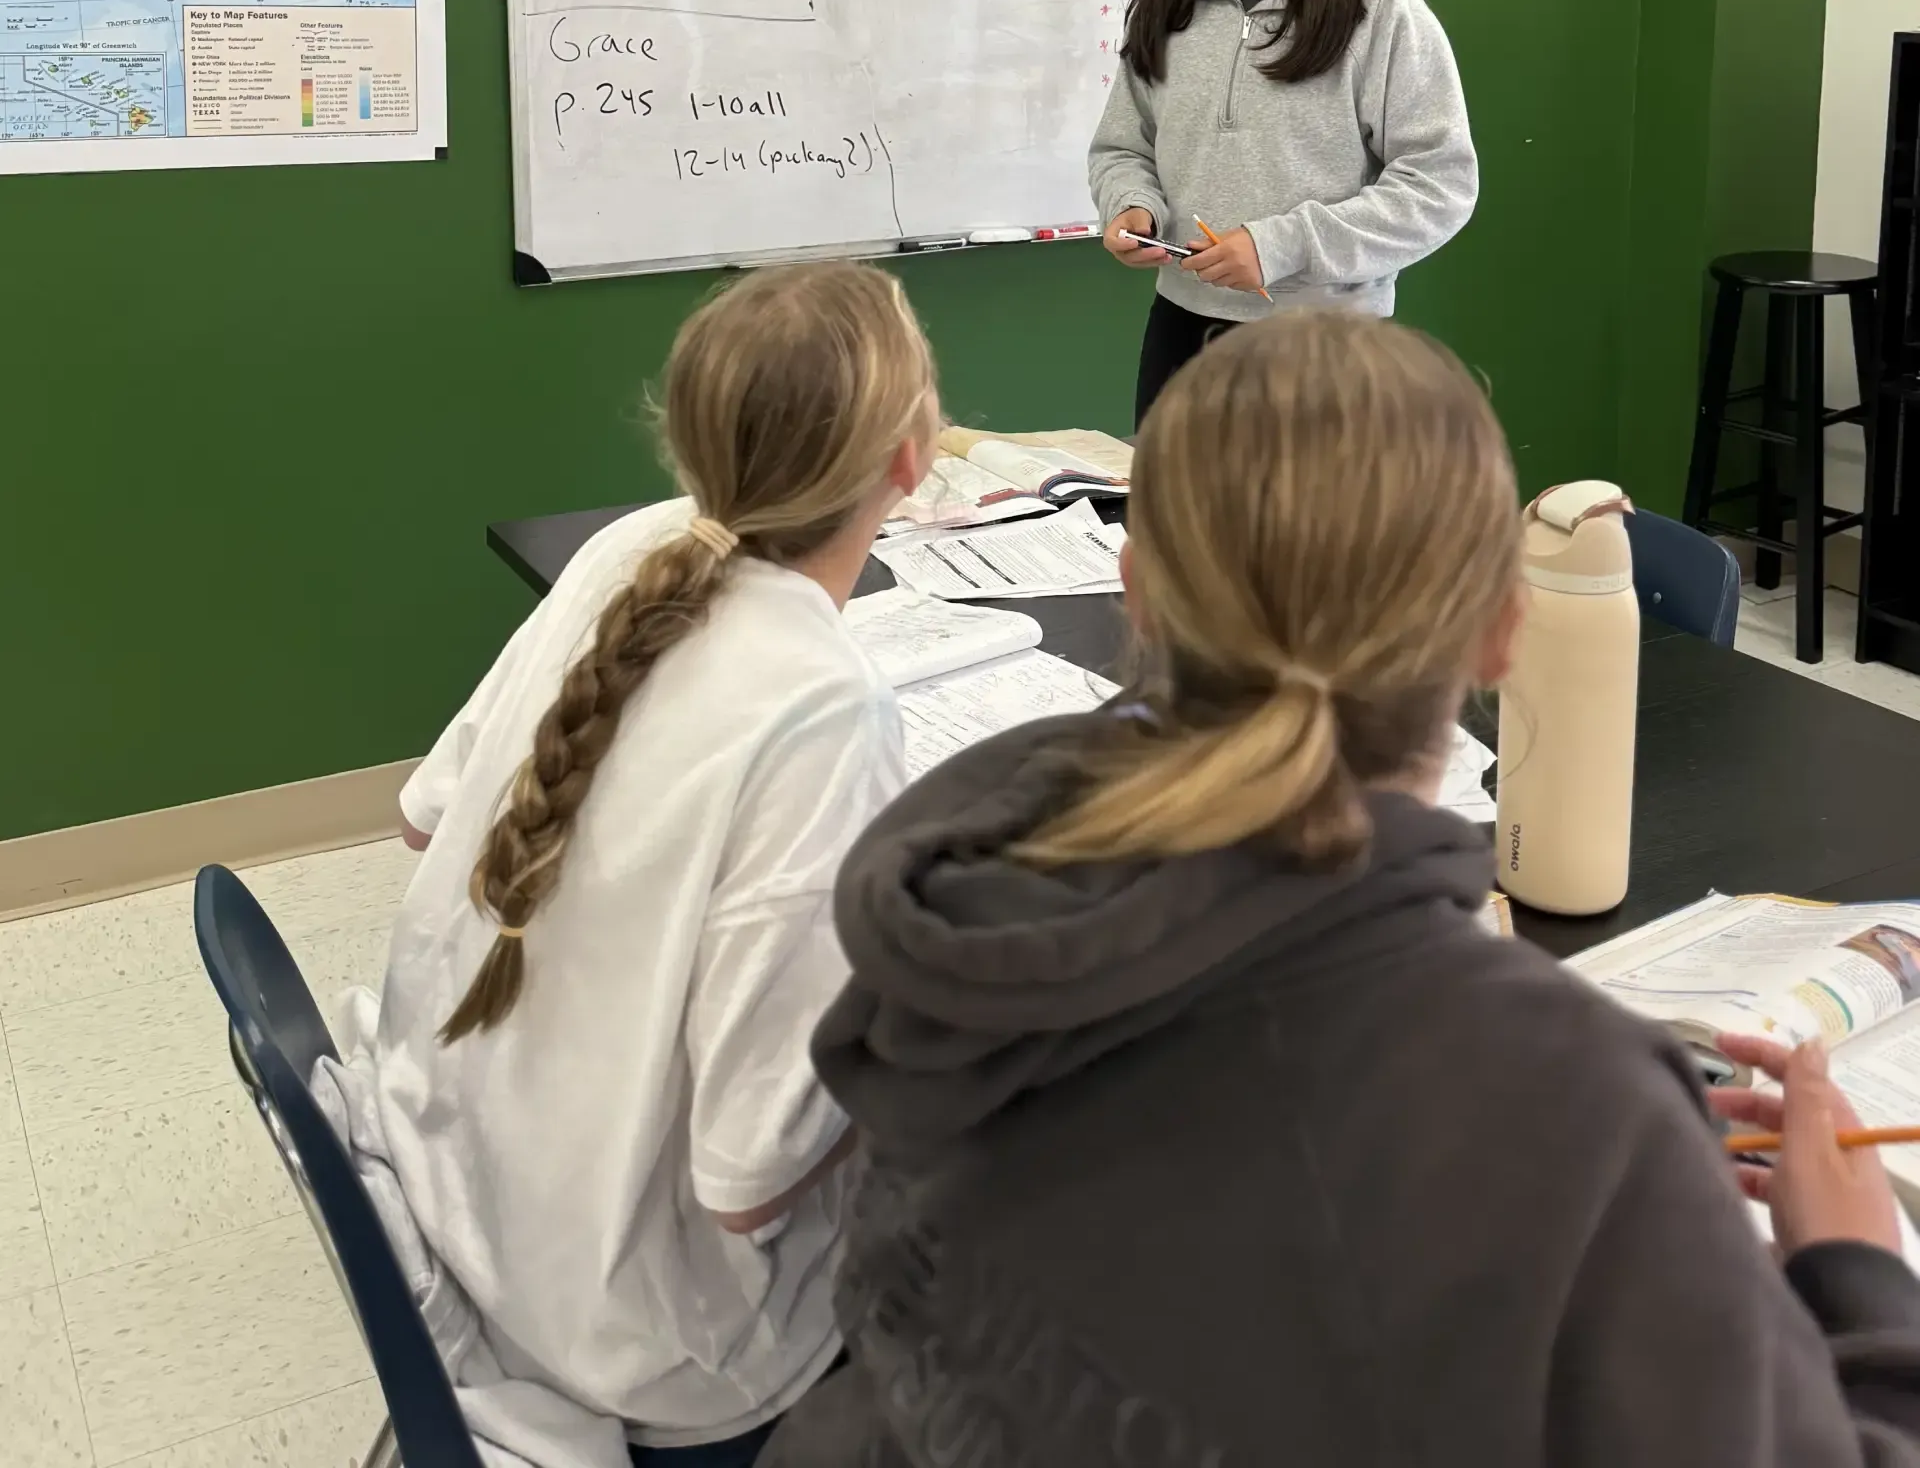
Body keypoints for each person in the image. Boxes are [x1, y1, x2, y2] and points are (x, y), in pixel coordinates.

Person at [764, 312, 1920, 1468]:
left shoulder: (962, 896)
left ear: (1136, 592)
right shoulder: (1573, 1108)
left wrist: (1596, 1166)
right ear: (1504, 627)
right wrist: (1856, 1270)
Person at [345, 262, 937, 1468]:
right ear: (910, 463)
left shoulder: (637, 547)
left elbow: (426, 817)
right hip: (640, 1339)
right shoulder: (823, 715)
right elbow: (749, 1183)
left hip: (452, 1174)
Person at [1090, 0, 1477, 424]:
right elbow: (1123, 147)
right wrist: (1133, 206)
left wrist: (1282, 246)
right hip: (1183, 334)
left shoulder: (1379, 11)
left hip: (1326, 351)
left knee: (1308, 534)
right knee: (1171, 527)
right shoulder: (1170, 4)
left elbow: (1439, 187)